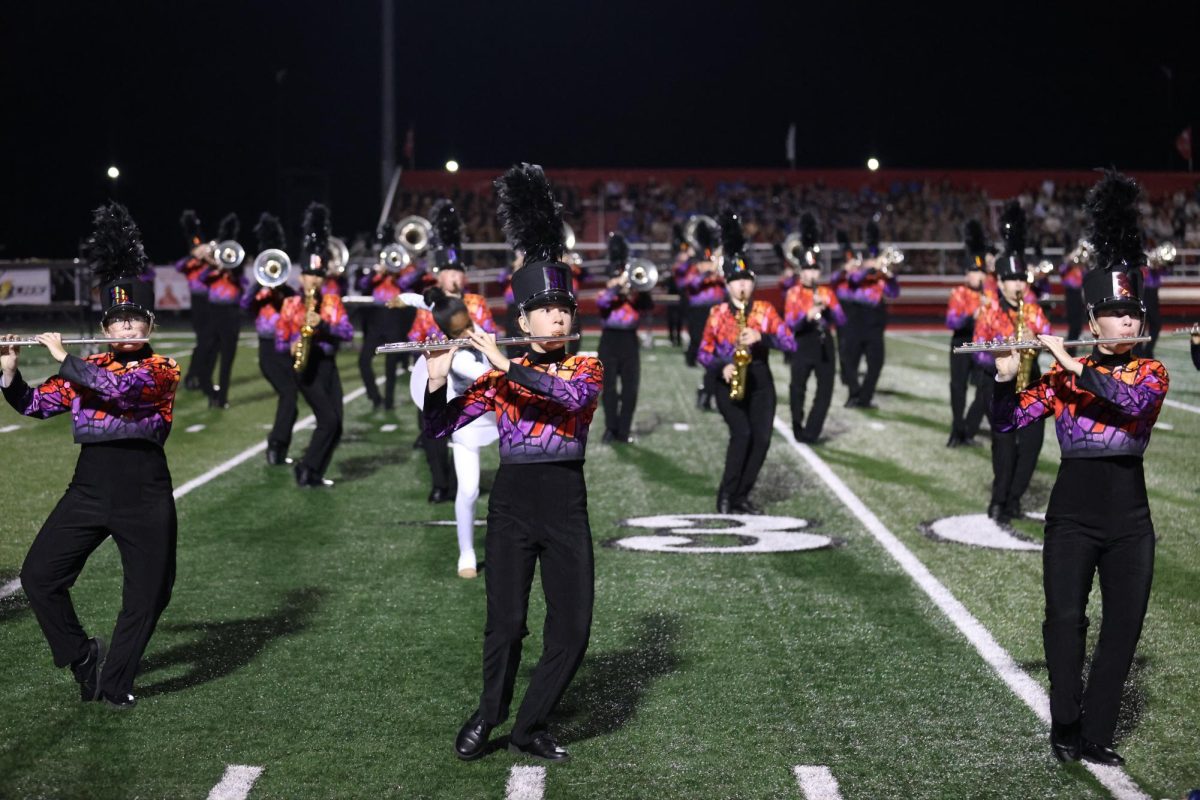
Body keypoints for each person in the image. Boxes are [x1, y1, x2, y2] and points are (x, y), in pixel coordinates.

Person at [991, 170, 1168, 766]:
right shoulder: (1063, 380)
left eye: (1134, 314)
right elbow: (1011, 422)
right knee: (1065, 621)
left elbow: (1130, 404)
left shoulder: (1151, 374)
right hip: (1072, 515)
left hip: (1129, 520)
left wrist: (1066, 358)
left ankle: (1096, 733)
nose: (1127, 323)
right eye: (1115, 314)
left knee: (1122, 632)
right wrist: (1003, 380)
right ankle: (1065, 718)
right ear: (1094, 322)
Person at [431, 164, 602, 763]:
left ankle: (530, 724)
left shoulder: (586, 368)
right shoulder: (497, 379)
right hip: (513, 507)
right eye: (545, 311)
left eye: (564, 310)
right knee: (505, 625)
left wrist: (502, 364)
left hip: (565, 506)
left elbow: (568, 399)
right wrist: (435, 380)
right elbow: (440, 428)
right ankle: (490, 713)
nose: (558, 318)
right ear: (523, 320)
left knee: (573, 631)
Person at [2, 202, 180, 710]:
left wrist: (63, 357)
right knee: (39, 577)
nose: (125, 329)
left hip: (144, 491)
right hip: (90, 486)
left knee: (148, 596)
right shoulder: (86, 365)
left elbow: (121, 392)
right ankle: (80, 653)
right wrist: (11, 373)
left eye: (133, 320)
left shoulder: (162, 368)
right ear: (105, 328)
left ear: (149, 323)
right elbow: (37, 406)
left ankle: (115, 680)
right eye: (117, 322)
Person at [699, 210, 796, 514]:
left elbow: (789, 342)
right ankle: (726, 496)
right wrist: (722, 366)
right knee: (742, 434)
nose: (741, 286)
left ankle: (742, 495)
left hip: (760, 378)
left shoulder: (765, 310)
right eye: (735, 281)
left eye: (746, 280)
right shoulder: (717, 313)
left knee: (762, 439)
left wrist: (763, 337)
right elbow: (703, 352)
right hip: (727, 379)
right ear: (726, 284)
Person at [409, 200, 499, 503]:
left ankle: (465, 482)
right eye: (448, 271)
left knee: (466, 430)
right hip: (435, 371)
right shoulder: (428, 305)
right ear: (438, 275)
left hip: (467, 376)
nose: (454, 277)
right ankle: (440, 483)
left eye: (458, 271)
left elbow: (489, 332)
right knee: (432, 429)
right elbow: (414, 336)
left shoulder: (475, 301)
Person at [407, 289, 500, 578]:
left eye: (469, 324)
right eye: (459, 331)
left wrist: (406, 298)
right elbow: (489, 376)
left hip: (497, 418)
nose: (469, 332)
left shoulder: (476, 330)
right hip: (467, 422)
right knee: (470, 489)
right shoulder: (456, 357)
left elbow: (427, 301)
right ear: (447, 332)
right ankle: (467, 552)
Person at [973, 202, 1051, 523]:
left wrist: (1038, 336)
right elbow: (978, 352)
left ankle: (1015, 498)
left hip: (1032, 382)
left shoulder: (1033, 310)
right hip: (1000, 384)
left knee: (1031, 446)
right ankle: (999, 499)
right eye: (1012, 279)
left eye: (1023, 278)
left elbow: (1049, 336)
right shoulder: (990, 313)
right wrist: (1000, 354)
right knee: (1004, 447)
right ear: (1001, 283)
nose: (1019, 284)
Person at [276, 202, 353, 488]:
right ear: (301, 276)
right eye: (310, 275)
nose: (315, 280)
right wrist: (292, 345)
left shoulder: (331, 302)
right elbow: (280, 340)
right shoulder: (290, 303)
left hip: (328, 365)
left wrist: (325, 325)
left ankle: (314, 472)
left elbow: (347, 332)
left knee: (337, 424)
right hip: (305, 368)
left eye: (319, 276)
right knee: (328, 420)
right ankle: (306, 468)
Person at [784, 213, 845, 444]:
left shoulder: (827, 292)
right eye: (808, 270)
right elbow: (790, 322)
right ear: (801, 271)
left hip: (824, 344)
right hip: (803, 342)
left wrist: (830, 308)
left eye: (815, 270)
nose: (812, 274)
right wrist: (806, 316)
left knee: (825, 390)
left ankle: (812, 431)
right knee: (798, 387)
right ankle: (797, 425)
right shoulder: (793, 293)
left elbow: (842, 321)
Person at [242, 212, 297, 465]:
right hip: (268, 352)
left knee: (292, 402)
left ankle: (279, 448)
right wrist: (258, 283)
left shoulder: (290, 293)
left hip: (287, 351)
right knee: (288, 396)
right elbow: (244, 304)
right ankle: (275, 445)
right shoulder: (259, 295)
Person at [597, 233, 653, 444]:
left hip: (629, 342)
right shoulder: (607, 294)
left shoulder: (636, 296)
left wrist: (636, 290)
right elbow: (602, 302)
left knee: (630, 389)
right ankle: (611, 428)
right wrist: (616, 286)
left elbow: (649, 307)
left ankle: (624, 429)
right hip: (609, 341)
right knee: (609, 389)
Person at [837, 221, 900, 409]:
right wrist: (869, 268)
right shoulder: (860, 263)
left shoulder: (883, 273)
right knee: (850, 361)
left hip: (875, 319)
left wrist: (889, 275)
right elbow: (853, 279)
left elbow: (893, 293)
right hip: (855, 316)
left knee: (876, 362)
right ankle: (853, 394)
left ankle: (864, 397)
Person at [944, 220, 995, 447]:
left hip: (982, 343)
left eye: (981, 271)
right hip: (962, 341)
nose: (978, 275)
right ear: (966, 274)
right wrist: (972, 315)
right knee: (958, 387)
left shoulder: (991, 293)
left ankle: (968, 428)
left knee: (986, 388)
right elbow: (951, 321)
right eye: (974, 272)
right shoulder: (959, 293)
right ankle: (957, 431)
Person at [356, 221, 409, 411]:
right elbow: (362, 285)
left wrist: (397, 275)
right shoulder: (376, 275)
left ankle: (389, 402)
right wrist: (376, 274)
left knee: (391, 365)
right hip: (376, 320)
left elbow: (409, 287)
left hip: (394, 318)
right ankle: (374, 396)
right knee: (363, 361)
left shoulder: (402, 275)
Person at [196, 213, 245, 409]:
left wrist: (229, 271)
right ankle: (210, 389)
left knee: (226, 361)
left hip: (231, 316)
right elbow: (201, 278)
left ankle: (221, 398)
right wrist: (214, 264)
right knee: (204, 358)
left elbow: (242, 285)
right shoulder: (213, 274)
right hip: (213, 314)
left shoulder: (237, 276)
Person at [175, 210, 212, 391]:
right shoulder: (190, 263)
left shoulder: (210, 262)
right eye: (198, 248)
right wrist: (196, 256)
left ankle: (202, 376)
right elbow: (179, 266)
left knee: (211, 343)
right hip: (199, 304)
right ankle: (192, 376)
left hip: (213, 304)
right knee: (203, 342)